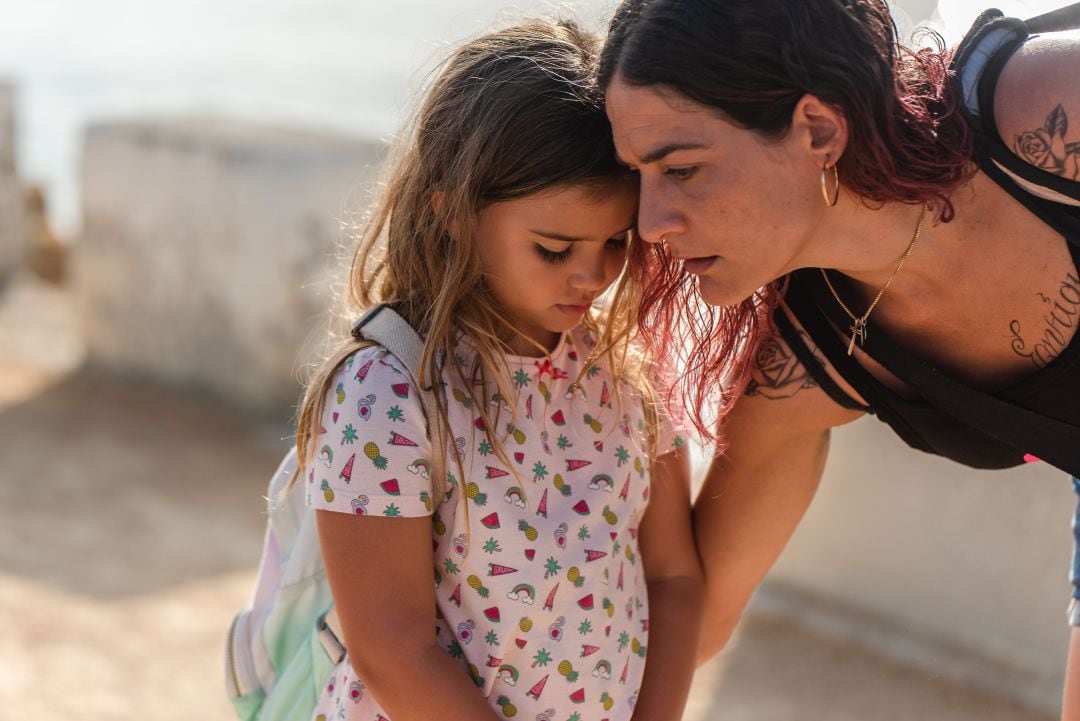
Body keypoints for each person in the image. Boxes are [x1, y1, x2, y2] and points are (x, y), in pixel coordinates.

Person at [597, 0, 1080, 715]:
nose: (650, 222)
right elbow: (686, 621)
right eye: (637, 175)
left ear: (817, 129)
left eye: (683, 169)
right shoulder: (810, 358)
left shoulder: (1045, 110)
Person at [290, 18, 702, 721]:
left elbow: (672, 576)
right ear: (453, 213)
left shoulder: (631, 377)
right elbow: (392, 650)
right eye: (552, 247)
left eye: (616, 241)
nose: (593, 274)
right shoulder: (389, 396)